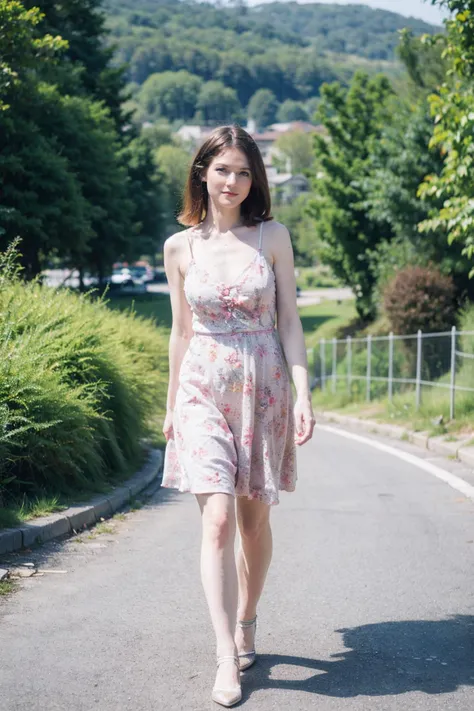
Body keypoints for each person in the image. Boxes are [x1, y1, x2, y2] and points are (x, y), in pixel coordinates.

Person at [161, 124, 315, 707]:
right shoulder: (180, 247)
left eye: (243, 171)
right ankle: (226, 655)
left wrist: (303, 393)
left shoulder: (271, 236)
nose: (232, 181)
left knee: (254, 525)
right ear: (202, 172)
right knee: (219, 520)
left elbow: (290, 322)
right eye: (222, 169)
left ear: (256, 180)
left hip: (265, 389)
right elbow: (180, 332)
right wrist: (171, 404)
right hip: (202, 388)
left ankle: (248, 617)